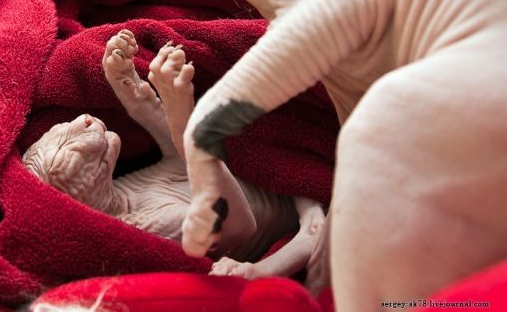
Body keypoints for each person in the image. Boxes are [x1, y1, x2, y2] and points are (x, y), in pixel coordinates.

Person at [23, 29, 325, 281]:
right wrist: (183, 122)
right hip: (294, 211)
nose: (83, 120)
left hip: (279, 164)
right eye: (70, 154)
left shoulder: (121, 189)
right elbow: (240, 224)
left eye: (63, 129)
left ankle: (312, 218)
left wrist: (137, 96)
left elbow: (179, 161)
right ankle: (310, 227)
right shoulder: (140, 229)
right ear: (78, 209)